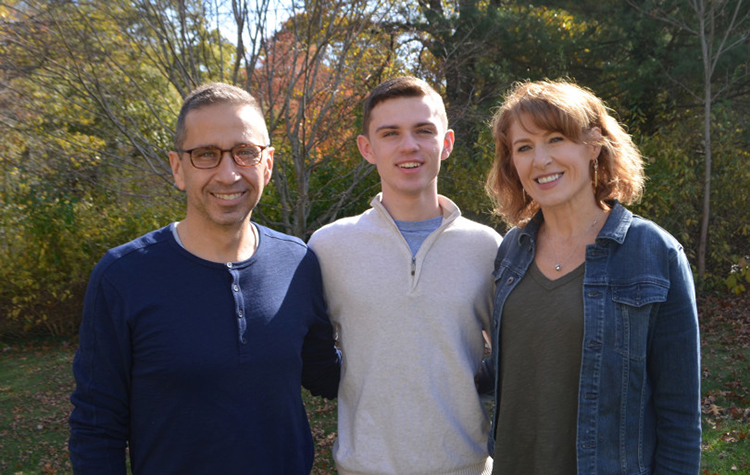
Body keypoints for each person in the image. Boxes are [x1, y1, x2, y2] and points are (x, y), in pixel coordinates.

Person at [68, 82, 341, 475]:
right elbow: (97, 425)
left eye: (245, 152)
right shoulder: (122, 276)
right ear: (178, 168)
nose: (228, 174)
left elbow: (323, 372)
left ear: (267, 163)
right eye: (206, 155)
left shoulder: (298, 261)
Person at [484, 79, 701, 474]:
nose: (541, 159)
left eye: (555, 139)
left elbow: (680, 414)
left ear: (593, 145)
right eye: (524, 147)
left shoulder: (653, 252)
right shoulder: (510, 252)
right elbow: (509, 369)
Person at [308, 76, 502, 475]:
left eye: (423, 131)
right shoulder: (328, 246)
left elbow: (514, 356)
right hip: (364, 468)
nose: (409, 146)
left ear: (446, 143)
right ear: (367, 148)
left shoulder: (487, 247)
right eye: (390, 133)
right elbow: (309, 353)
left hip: (465, 467)